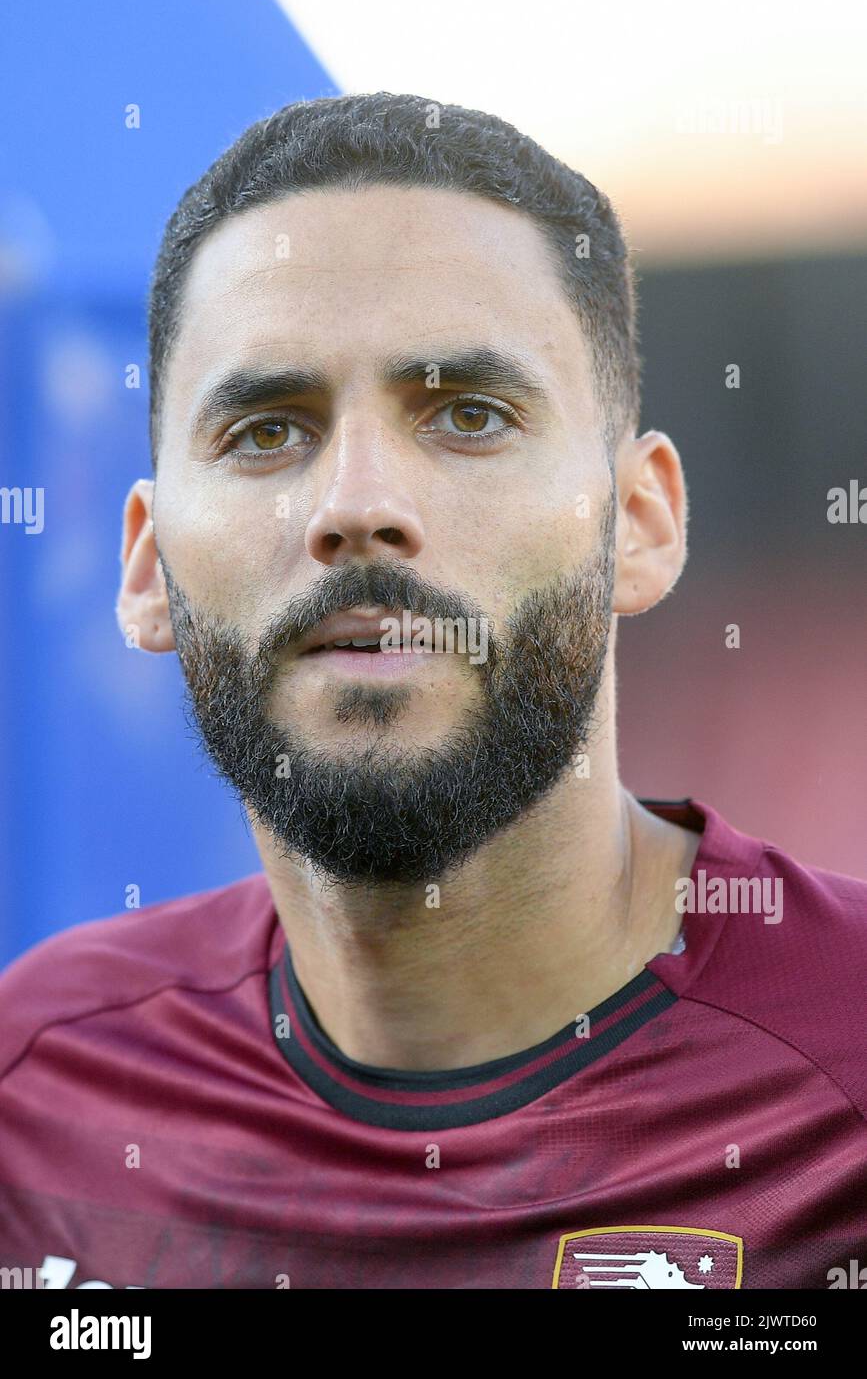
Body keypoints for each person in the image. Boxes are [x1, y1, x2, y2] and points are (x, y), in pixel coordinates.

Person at [1, 93, 865, 1291]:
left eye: (469, 415)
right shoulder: (37, 1088)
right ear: (146, 564)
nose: (356, 502)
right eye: (265, 430)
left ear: (642, 521)